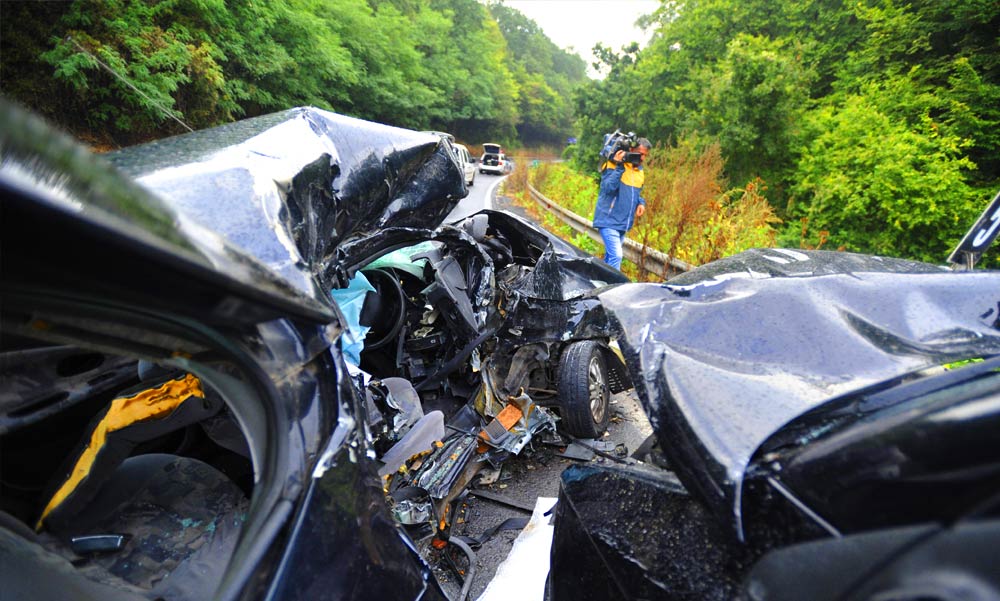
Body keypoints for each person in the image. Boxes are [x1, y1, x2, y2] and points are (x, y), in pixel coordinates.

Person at [593, 138, 651, 270]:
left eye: (645, 155)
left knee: (609, 260)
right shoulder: (613, 164)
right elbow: (607, 188)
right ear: (631, 150)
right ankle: (612, 289)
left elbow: (636, 192)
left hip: (623, 224)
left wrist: (641, 203)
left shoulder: (639, 172)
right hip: (608, 221)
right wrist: (619, 166)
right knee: (616, 256)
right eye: (640, 153)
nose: (642, 158)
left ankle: (600, 285)